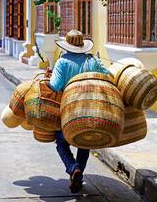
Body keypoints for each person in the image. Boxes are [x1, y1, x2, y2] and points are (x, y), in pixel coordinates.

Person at [49, 29, 110, 193]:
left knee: (61, 141)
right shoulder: (93, 61)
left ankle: (73, 167)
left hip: (69, 111)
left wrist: (50, 77)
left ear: (66, 46)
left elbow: (54, 86)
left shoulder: (62, 62)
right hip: (91, 110)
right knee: (85, 142)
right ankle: (78, 172)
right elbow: (108, 76)